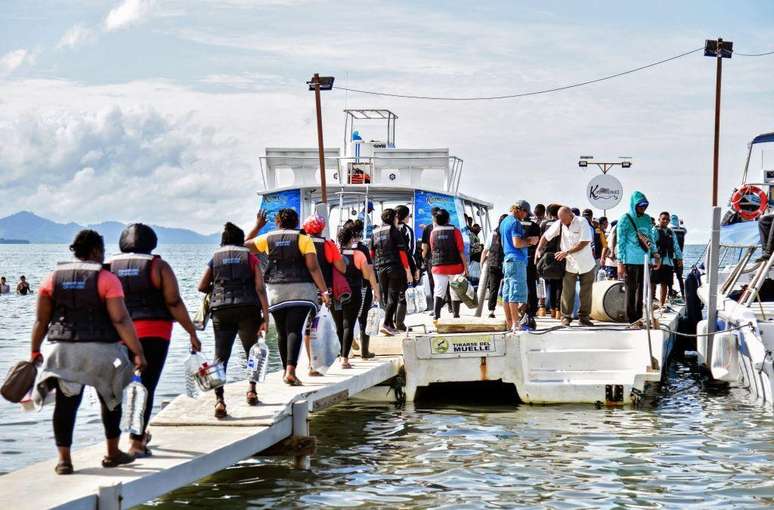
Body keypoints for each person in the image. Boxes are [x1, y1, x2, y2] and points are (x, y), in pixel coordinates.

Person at [30, 230, 147, 475]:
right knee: (111, 399)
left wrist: (34, 351)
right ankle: (112, 453)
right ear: (95, 251)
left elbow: (41, 321)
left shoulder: (51, 278)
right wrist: (137, 352)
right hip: (102, 350)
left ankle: (64, 461)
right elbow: (121, 319)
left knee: (65, 404)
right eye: (102, 251)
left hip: (63, 352)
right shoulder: (107, 279)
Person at [109, 223, 202, 454]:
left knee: (120, 387)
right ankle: (136, 441)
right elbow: (173, 302)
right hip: (154, 332)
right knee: (145, 385)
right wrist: (191, 331)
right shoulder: (159, 266)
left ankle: (117, 439)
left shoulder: (109, 267)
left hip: (118, 334)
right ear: (152, 242)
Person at [246, 209, 330, 386]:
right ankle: (291, 371)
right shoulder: (303, 239)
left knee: (282, 332)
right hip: (301, 291)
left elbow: (244, 246)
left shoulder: (267, 238)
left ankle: (286, 371)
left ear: (278, 222)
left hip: (276, 291)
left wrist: (257, 226)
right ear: (296, 222)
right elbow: (313, 268)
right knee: (294, 329)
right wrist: (324, 291)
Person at [198, 222, 270, 418]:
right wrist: (266, 315)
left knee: (220, 357)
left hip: (221, 310)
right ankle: (252, 391)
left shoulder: (215, 257)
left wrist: (218, 287)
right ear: (241, 241)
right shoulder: (250, 258)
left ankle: (219, 401)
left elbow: (201, 285)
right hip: (248, 309)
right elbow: (260, 288)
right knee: (252, 353)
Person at [536, 207, 596, 327]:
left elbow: (584, 242)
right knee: (567, 292)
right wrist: (539, 248)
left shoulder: (582, 221)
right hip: (570, 264)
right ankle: (566, 317)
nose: (562, 222)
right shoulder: (560, 223)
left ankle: (584, 317)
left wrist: (567, 252)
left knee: (586, 292)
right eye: (560, 219)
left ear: (571, 215)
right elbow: (545, 237)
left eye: (564, 219)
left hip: (586, 263)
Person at [336, 225, 380, 367]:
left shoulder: (334, 253)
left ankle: (343, 352)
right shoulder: (359, 254)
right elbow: (367, 274)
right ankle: (345, 359)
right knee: (349, 324)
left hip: (336, 293)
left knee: (339, 326)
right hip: (354, 291)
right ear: (352, 239)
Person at [616, 191, 659, 324]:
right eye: (640, 205)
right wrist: (620, 262)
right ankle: (631, 318)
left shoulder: (647, 218)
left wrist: (655, 254)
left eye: (645, 205)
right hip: (630, 260)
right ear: (634, 204)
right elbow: (620, 241)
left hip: (645, 259)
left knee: (643, 290)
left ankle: (639, 316)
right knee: (631, 289)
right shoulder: (625, 218)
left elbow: (650, 238)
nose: (643, 207)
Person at [371, 208, 413, 335]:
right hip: (394, 267)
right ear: (393, 218)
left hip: (380, 268)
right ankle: (386, 323)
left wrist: (375, 269)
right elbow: (402, 253)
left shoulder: (375, 232)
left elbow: (372, 253)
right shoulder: (394, 231)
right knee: (393, 297)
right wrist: (408, 271)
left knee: (386, 297)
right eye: (396, 217)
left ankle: (389, 324)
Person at [500, 202, 538, 331]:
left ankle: (509, 322)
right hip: (516, 261)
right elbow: (517, 243)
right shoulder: (515, 223)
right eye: (526, 213)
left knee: (507, 293)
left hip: (507, 260)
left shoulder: (504, 221)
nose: (526, 216)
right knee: (514, 294)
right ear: (520, 210)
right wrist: (530, 241)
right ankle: (516, 323)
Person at [429, 209, 468, 320]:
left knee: (439, 290)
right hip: (455, 266)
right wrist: (465, 267)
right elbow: (461, 251)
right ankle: (456, 315)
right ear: (448, 219)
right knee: (455, 290)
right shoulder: (455, 231)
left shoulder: (433, 232)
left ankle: (436, 316)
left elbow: (433, 249)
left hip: (438, 267)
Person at [350, 220, 376, 358]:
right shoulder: (363, 249)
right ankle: (365, 352)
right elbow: (369, 272)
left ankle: (346, 348)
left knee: (347, 318)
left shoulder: (340, 247)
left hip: (345, 288)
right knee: (363, 319)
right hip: (362, 287)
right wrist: (375, 288)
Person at [651, 212, 683, 307]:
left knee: (665, 283)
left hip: (668, 261)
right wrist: (655, 256)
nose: (665, 221)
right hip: (656, 261)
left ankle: (662, 304)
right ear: (659, 219)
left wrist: (679, 258)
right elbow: (651, 244)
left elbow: (676, 246)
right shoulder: (654, 230)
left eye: (667, 219)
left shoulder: (671, 232)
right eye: (663, 219)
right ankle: (650, 302)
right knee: (652, 282)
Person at [395, 205, 418, 331]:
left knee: (391, 295)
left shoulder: (388, 229)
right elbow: (412, 251)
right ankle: (399, 323)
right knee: (402, 294)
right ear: (405, 216)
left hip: (387, 266)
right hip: (404, 266)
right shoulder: (407, 230)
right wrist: (414, 269)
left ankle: (390, 323)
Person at [519, 203, 541, 330]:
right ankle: (532, 309)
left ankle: (521, 309)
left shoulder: (516, 225)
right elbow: (536, 242)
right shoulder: (535, 226)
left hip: (519, 257)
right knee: (531, 284)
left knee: (520, 285)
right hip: (531, 259)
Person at [540, 203, 564, 319]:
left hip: (546, 257)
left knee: (546, 283)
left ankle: (544, 309)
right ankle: (558, 311)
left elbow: (542, 239)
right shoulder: (561, 224)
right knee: (559, 284)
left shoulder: (544, 224)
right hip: (559, 255)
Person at [481, 214, 507, 318]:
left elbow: (485, 250)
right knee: (507, 287)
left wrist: (482, 263)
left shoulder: (492, 233)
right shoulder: (509, 233)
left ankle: (491, 311)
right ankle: (509, 310)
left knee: (493, 288)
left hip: (493, 263)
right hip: (506, 263)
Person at [421, 206, 441, 306]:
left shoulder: (428, 228)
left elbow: (425, 246)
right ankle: (448, 304)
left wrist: (422, 257)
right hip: (442, 259)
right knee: (443, 281)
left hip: (431, 259)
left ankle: (436, 305)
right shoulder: (449, 227)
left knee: (433, 281)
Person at [671, 214, 687, 299]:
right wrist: (681, 223)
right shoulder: (683, 230)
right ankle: (683, 295)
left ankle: (670, 294)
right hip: (680, 257)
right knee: (680, 277)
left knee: (670, 277)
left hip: (671, 258)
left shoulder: (670, 230)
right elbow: (685, 229)